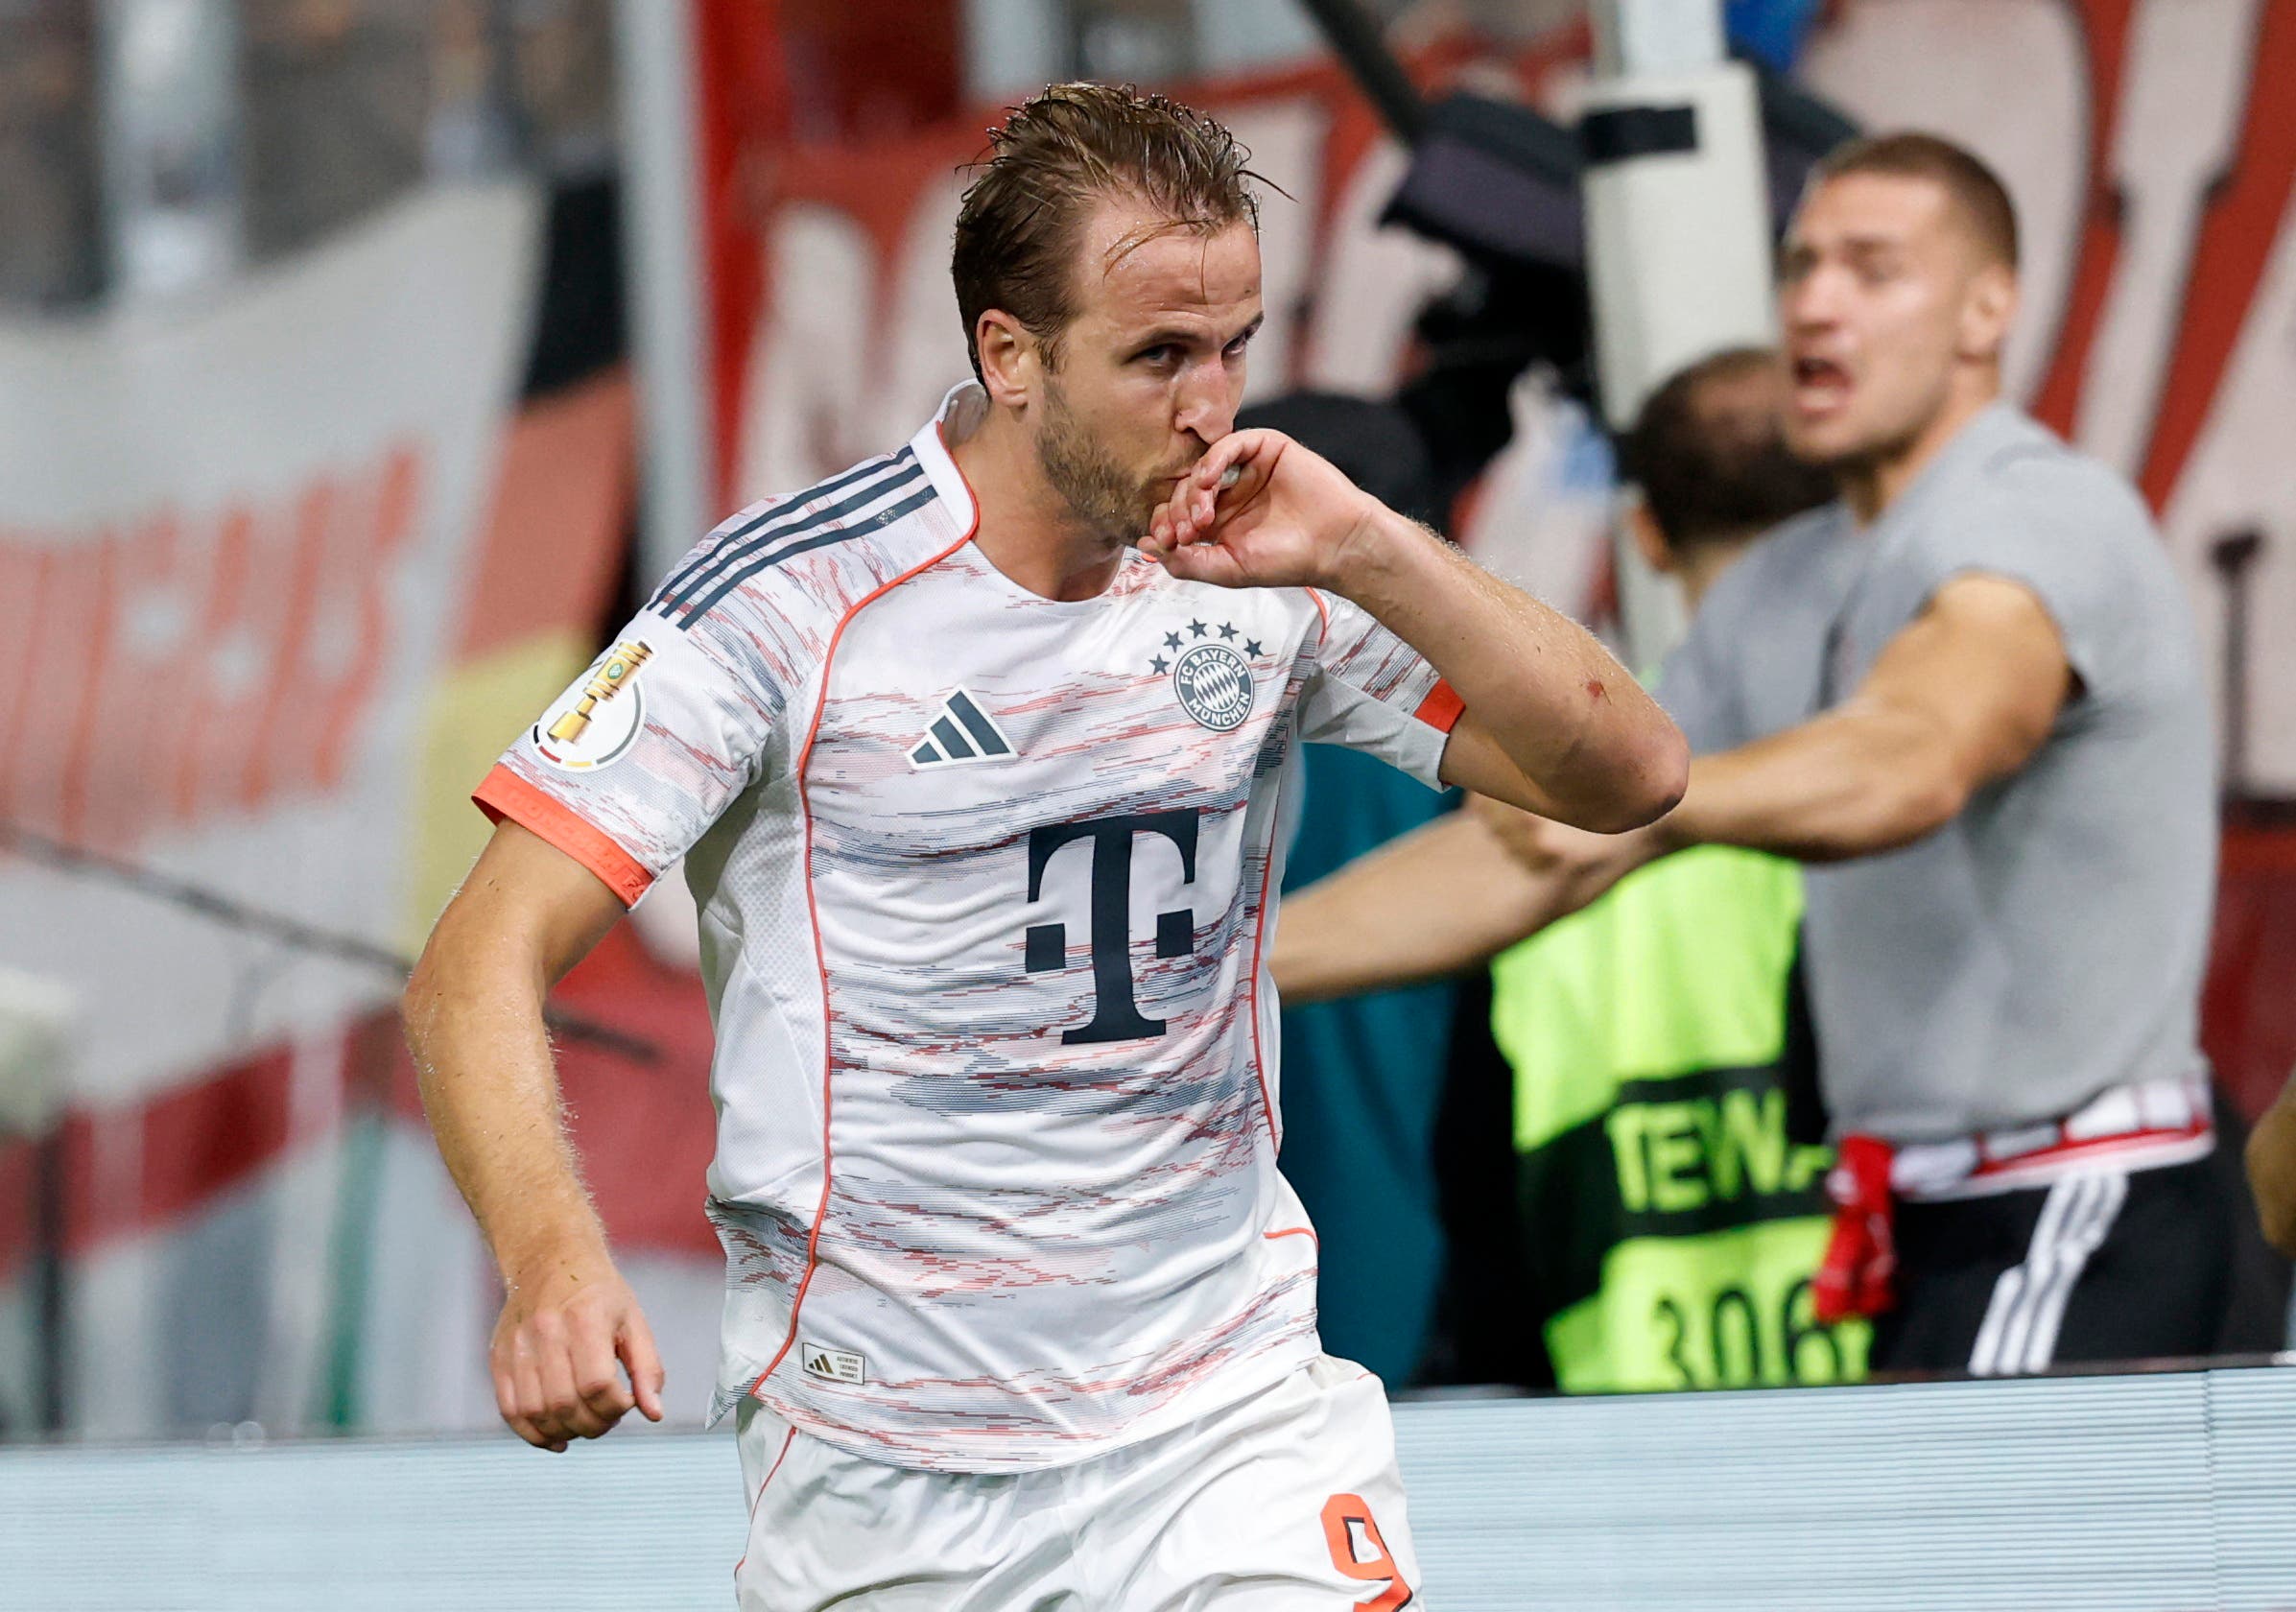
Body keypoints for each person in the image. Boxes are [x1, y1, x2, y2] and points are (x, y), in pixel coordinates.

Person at [402, 82, 1685, 1608]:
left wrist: (1368, 546)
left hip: (1225, 1418)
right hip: (891, 1468)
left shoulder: (1268, 558)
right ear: (1007, 354)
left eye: (1235, 347)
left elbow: (1628, 774)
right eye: (1157, 356)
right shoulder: (786, 601)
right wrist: (552, 1259)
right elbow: (474, 962)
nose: (1210, 404)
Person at [1274, 131, 2231, 1381]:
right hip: (1909, 1223)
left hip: (2080, 1207)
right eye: (1802, 269)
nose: (1818, 304)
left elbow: (1916, 754)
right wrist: (1205, 974)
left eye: (1874, 270)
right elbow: (1534, 857)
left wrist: (1669, 806)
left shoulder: (2030, 515)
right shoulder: (1782, 590)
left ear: (1988, 307)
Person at [1281, 346, 1863, 1393]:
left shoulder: (1533, 781)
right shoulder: (1864, 766)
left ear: (1638, 536)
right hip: (1867, 1354)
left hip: (1531, 1371)